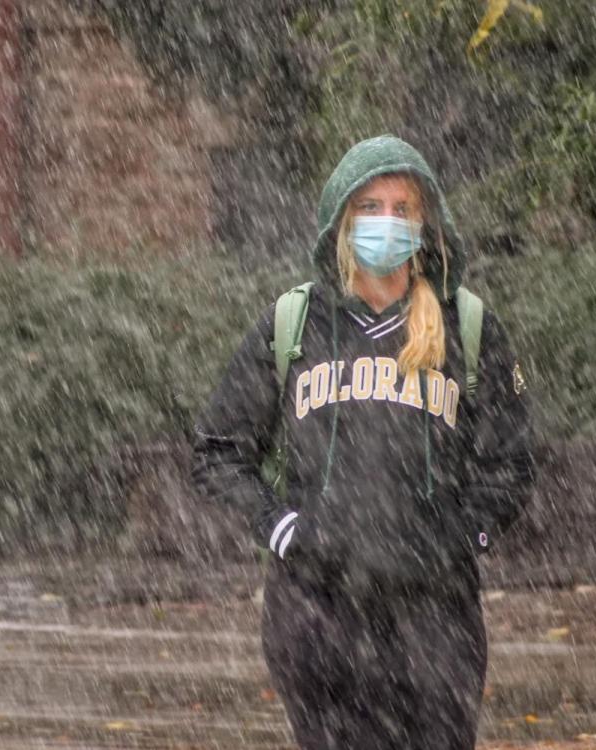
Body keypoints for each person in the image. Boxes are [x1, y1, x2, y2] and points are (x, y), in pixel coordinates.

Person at [192, 135, 535, 749]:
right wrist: (283, 530)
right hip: (318, 616)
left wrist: (460, 536)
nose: (387, 223)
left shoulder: (468, 327)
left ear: (425, 223)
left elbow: (510, 465)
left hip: (435, 620)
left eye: (402, 209)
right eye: (370, 207)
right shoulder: (294, 324)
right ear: (342, 221)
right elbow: (218, 450)